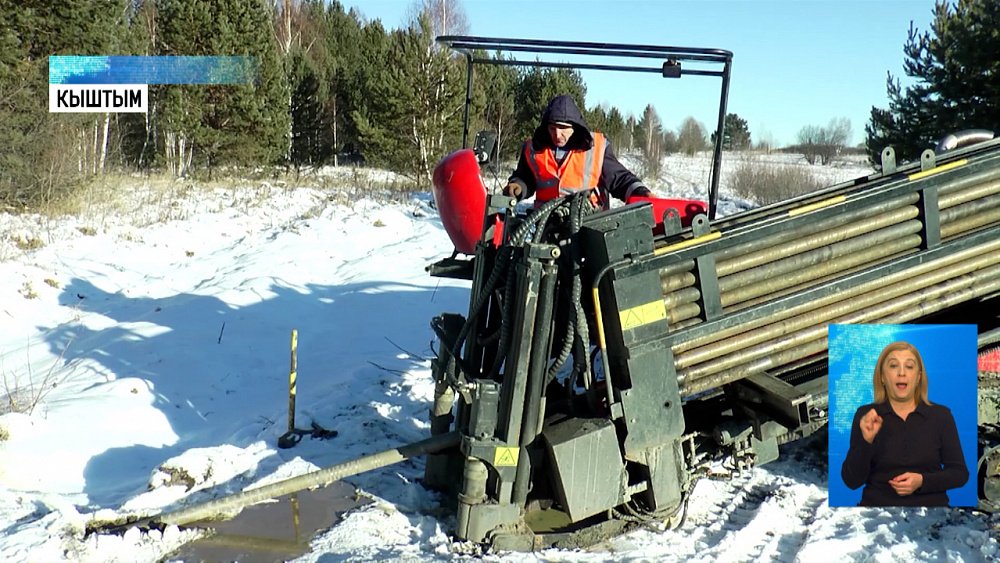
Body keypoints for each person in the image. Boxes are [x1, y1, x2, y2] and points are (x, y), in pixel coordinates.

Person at [840, 341, 968, 506]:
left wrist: (922, 481)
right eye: (893, 366)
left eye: (909, 366)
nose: (901, 373)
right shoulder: (867, 416)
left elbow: (960, 474)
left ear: (919, 377)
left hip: (931, 514)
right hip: (877, 515)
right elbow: (851, 481)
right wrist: (866, 441)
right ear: (882, 377)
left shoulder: (941, 416)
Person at [505, 95, 651, 208]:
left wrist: (641, 192)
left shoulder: (596, 147)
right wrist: (518, 186)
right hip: (545, 229)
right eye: (552, 128)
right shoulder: (533, 148)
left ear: (575, 127)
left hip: (588, 228)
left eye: (563, 128)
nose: (557, 135)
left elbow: (619, 179)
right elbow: (526, 178)